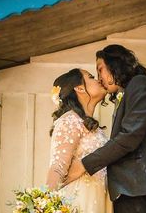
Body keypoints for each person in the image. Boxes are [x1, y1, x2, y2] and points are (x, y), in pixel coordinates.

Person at [65, 44, 146, 213]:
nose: (99, 78)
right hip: (131, 188)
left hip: (137, 187)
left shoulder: (140, 84)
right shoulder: (131, 90)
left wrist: (84, 165)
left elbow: (129, 137)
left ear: (115, 65)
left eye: (100, 70)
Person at [46, 68, 108, 213]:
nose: (98, 80)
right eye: (91, 77)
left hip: (100, 202)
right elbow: (58, 166)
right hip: (79, 203)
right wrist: (45, 203)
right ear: (79, 88)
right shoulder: (70, 120)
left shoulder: (94, 128)